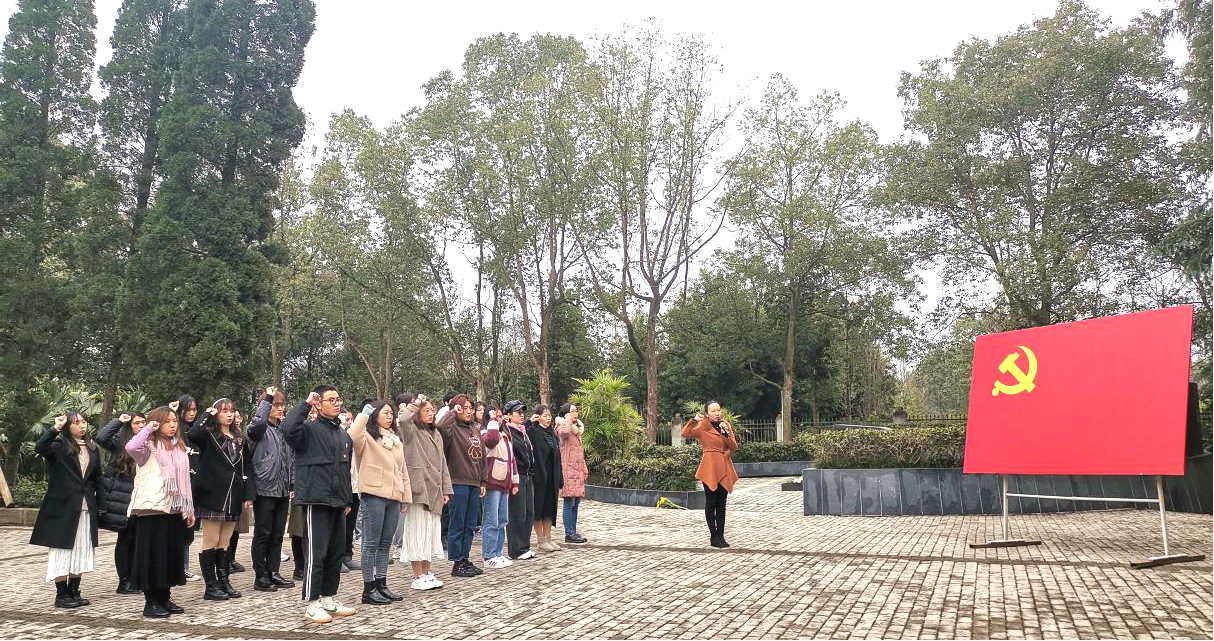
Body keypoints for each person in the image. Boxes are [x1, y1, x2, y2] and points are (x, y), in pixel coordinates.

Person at [282, 385, 358, 624]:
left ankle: (328, 598)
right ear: (319, 404)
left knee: (335, 554)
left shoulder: (343, 435)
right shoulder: (307, 430)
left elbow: (345, 471)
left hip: (338, 502)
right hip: (316, 500)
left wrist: (347, 499)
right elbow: (287, 428)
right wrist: (305, 404)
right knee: (317, 554)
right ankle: (312, 603)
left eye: (338, 399)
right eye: (330, 400)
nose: (336, 403)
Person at [125, 406, 195, 618]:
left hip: (173, 509)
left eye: (174, 421)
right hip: (152, 508)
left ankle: (165, 597)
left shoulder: (179, 447)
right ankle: (151, 601)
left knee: (169, 555)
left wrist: (189, 509)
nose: (172, 425)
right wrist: (148, 428)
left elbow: (185, 481)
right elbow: (131, 446)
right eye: (166, 421)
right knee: (152, 556)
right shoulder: (148, 446)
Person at [30, 413, 101, 609]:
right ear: (68, 427)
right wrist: (55, 428)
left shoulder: (93, 449)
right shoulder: (58, 446)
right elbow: (40, 447)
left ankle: (74, 591)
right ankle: (61, 595)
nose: (82, 426)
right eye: (76, 423)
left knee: (82, 549)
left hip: (86, 507)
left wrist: (101, 505)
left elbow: (97, 479)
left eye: (84, 422)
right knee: (62, 550)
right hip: (63, 507)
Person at [188, 399, 254, 600]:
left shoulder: (239, 438)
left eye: (232, 410)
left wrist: (248, 494)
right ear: (216, 413)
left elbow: (247, 467)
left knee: (225, 541)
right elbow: (193, 434)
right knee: (211, 539)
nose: (229, 414)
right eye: (224, 411)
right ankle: (211, 586)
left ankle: (224, 581)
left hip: (234, 494)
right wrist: (206, 414)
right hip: (212, 494)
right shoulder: (208, 435)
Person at [348, 400, 410, 605]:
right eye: (385, 413)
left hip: (394, 496)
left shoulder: (396, 439)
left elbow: (403, 471)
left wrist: (405, 496)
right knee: (370, 543)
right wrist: (363, 414)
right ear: (375, 415)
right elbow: (351, 436)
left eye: (391, 413)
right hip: (373, 494)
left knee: (385, 544)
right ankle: (369, 588)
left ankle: (381, 584)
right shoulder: (366, 437)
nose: (390, 416)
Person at [396, 396, 450, 591]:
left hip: (435, 489)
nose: (431, 413)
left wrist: (446, 489)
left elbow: (443, 463)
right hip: (419, 489)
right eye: (426, 410)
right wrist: (416, 403)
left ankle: (426, 573)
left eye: (432, 410)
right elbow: (403, 419)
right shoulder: (411, 431)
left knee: (430, 533)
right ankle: (417, 575)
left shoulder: (436, 433)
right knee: (417, 532)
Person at [247, 386, 295, 592]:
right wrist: (267, 399)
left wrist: (292, 483)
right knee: (263, 533)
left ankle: (273, 571)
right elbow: (257, 426)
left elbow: (290, 459)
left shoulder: (283, 430)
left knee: (277, 534)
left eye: (282, 405)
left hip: (282, 488)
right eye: (276, 405)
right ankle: (261, 576)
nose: (280, 408)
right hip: (264, 487)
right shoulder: (257, 429)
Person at [435, 393, 485, 578]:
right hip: (457, 482)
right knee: (458, 523)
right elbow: (440, 428)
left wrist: (483, 480)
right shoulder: (452, 428)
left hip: (474, 482)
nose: (468, 412)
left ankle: (465, 558)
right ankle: (457, 562)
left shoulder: (474, 429)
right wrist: (452, 412)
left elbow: (482, 457)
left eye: (470, 408)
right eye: (464, 408)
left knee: (470, 524)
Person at [96, 411, 146, 593]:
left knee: (138, 539)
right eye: (137, 423)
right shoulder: (120, 443)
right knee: (125, 538)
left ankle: (135, 577)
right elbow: (102, 438)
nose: (141, 426)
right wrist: (118, 421)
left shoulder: (148, 442)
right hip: (122, 499)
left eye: (143, 422)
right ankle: (124, 581)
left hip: (141, 497)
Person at [680, 401, 739, 548]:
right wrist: (694, 420)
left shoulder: (725, 425)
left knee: (722, 504)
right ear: (706, 413)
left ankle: (721, 536)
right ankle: (714, 536)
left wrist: (726, 434)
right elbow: (685, 434)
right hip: (710, 467)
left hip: (725, 466)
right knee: (711, 503)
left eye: (718, 410)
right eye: (713, 411)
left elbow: (733, 446)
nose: (717, 413)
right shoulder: (703, 426)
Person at [480, 405, 518, 569]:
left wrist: (515, 481)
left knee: (502, 520)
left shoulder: (505, 435)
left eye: (501, 416)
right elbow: (491, 441)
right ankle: (489, 555)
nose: (500, 419)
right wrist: (493, 420)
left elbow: (512, 460)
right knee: (491, 520)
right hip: (492, 482)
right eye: (496, 416)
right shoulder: (485, 432)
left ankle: (498, 553)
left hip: (505, 482)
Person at [527, 405, 563, 552]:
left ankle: (548, 537)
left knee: (549, 508)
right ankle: (540, 540)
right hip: (539, 477)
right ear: (538, 417)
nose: (548, 418)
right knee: (539, 508)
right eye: (544, 415)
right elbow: (523, 433)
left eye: (549, 415)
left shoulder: (552, 433)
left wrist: (560, 478)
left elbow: (557, 457)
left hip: (551, 477)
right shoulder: (533, 432)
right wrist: (530, 421)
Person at [504, 401, 537, 560]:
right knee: (517, 513)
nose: (522, 415)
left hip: (528, 475)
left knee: (529, 512)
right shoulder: (508, 431)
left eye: (523, 412)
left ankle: (524, 546)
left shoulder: (523, 431)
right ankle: (516, 549)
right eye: (518, 412)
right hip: (517, 476)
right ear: (509, 415)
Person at [175, 396, 201, 582]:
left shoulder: (195, 431)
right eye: (188, 409)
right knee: (180, 530)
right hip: (179, 487)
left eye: (194, 409)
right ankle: (179, 568)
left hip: (194, 485)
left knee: (189, 530)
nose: (192, 413)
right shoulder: (176, 430)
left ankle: (183, 567)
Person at [556, 403, 589, 544]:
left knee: (576, 503)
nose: (576, 413)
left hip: (578, 470)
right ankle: (569, 533)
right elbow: (564, 432)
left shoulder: (576, 431)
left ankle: (573, 531)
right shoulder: (561, 427)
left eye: (576, 411)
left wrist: (584, 469)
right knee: (569, 502)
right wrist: (567, 419)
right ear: (566, 414)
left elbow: (579, 453)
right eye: (572, 411)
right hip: (567, 471)